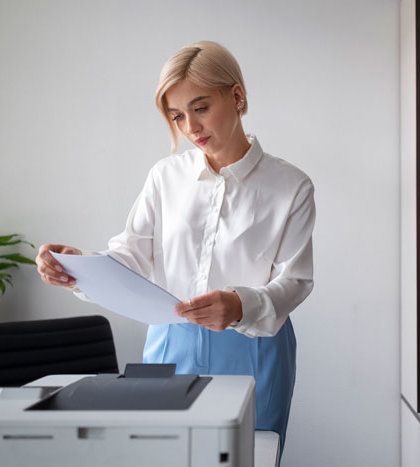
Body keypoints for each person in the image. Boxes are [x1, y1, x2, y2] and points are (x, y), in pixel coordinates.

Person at [35, 40, 315, 453]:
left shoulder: (291, 185)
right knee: (164, 456)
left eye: (201, 108)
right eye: (177, 115)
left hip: (254, 347)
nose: (190, 128)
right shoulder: (165, 176)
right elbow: (130, 254)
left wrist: (240, 304)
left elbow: (295, 279)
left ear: (237, 96)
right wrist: (78, 265)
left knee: (249, 455)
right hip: (171, 342)